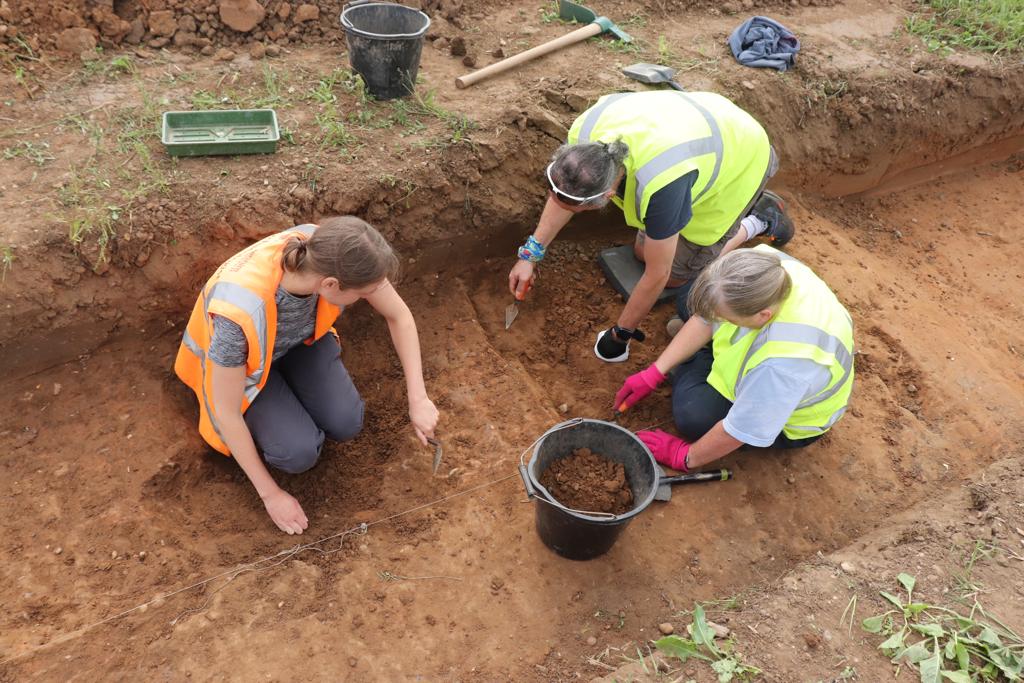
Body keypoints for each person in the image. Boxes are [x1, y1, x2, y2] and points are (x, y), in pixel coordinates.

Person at [175, 217, 439, 535]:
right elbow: (226, 413)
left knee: (346, 421)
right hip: (247, 371)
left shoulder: (330, 250)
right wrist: (271, 495)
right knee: (298, 452)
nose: (368, 298)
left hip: (299, 345)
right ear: (330, 285)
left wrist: (418, 397)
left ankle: (291, 389)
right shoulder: (239, 316)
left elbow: (399, 315)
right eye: (363, 293)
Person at [508, 90, 795, 363]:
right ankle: (750, 215)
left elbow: (659, 275)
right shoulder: (582, 137)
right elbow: (562, 197)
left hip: (740, 158)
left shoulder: (662, 186)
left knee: (675, 276)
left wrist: (620, 337)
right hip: (703, 126)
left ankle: (759, 219)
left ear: (608, 196)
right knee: (643, 251)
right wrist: (529, 255)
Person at [613, 245, 853, 471]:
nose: (714, 318)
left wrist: (686, 456)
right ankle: (701, 348)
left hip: (787, 418)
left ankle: (699, 353)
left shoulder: (783, 367)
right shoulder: (761, 266)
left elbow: (742, 428)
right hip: (763, 363)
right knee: (691, 299)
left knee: (693, 416)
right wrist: (656, 371)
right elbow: (706, 316)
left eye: (725, 318)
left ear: (762, 316)